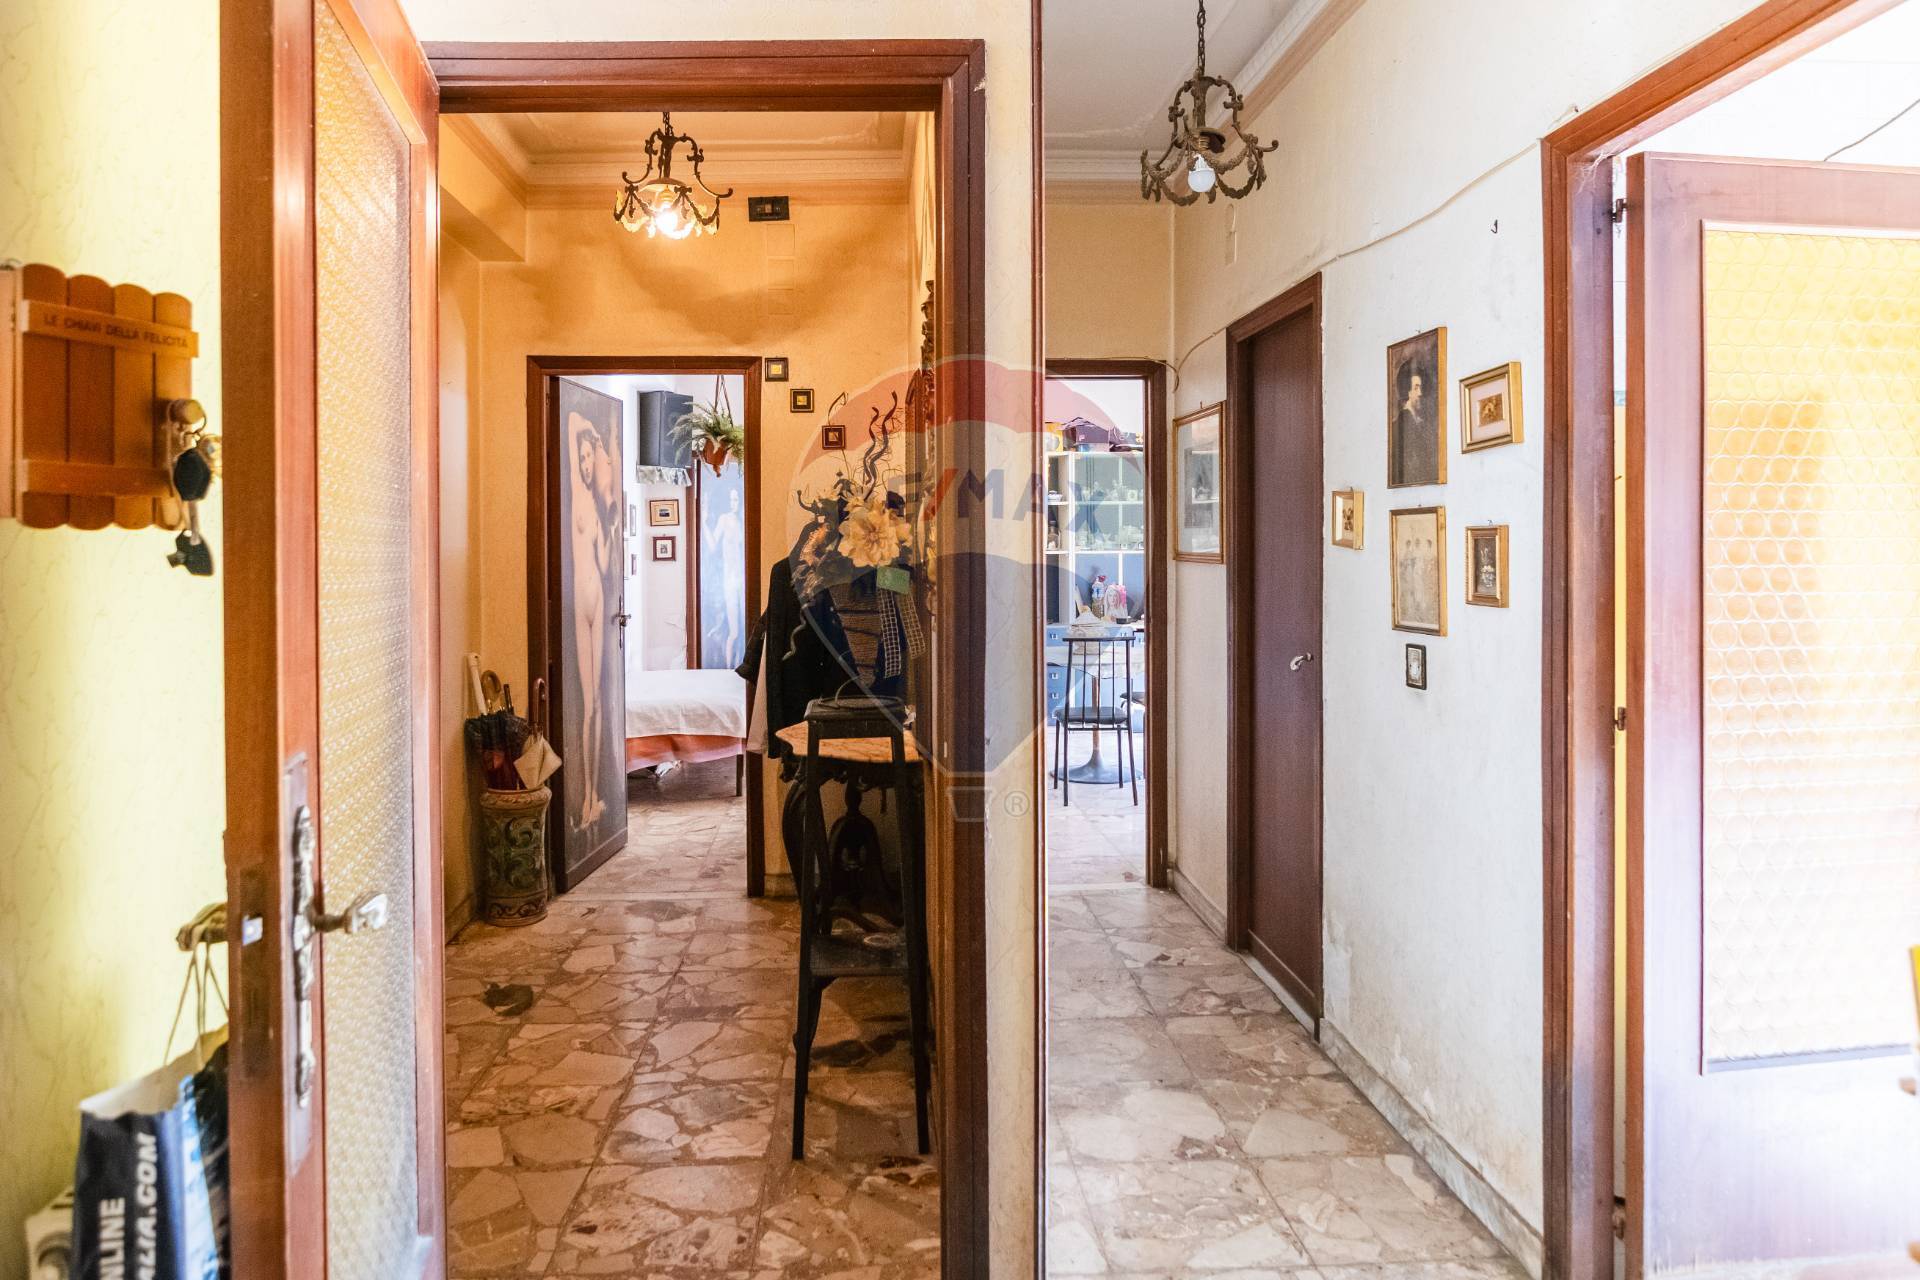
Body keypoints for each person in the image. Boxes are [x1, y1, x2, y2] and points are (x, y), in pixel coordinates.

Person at [568, 410, 611, 828]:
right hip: (580, 601)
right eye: (581, 458)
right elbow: (571, 421)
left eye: (588, 459)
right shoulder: (574, 496)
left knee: (597, 701)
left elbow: (604, 564)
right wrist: (593, 432)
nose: (584, 465)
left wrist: (611, 532)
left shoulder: (596, 506)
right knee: (586, 705)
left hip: (599, 596)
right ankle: (584, 797)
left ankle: (595, 793)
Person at [1394, 356, 1436, 485]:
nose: (1420, 393)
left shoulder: (1423, 424)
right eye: (1416, 388)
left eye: (1421, 387)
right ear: (1407, 392)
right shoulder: (1399, 425)